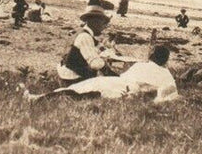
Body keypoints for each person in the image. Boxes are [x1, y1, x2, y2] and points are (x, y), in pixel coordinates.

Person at [35, 44, 180, 104]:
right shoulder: (166, 75)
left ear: (151, 55)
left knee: (86, 87)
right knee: (90, 90)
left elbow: (123, 78)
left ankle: (42, 97)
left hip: (121, 84)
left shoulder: (140, 65)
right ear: (165, 60)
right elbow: (171, 92)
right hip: (126, 87)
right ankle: (43, 98)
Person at [58, 9, 114, 85]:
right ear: (95, 23)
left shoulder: (81, 32)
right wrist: (111, 74)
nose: (103, 28)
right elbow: (95, 64)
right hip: (72, 77)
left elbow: (96, 46)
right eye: (103, 24)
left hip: (66, 71)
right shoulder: (85, 36)